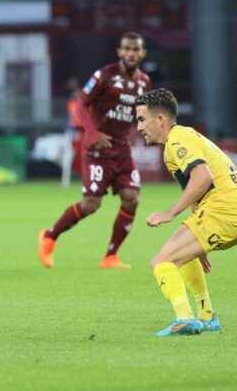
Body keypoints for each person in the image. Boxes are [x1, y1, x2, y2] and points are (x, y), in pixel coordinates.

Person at [134, 88, 237, 337]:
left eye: (141, 119)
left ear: (160, 120)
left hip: (224, 210)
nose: (138, 127)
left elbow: (202, 178)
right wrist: (197, 243)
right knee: (185, 256)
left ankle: (184, 318)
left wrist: (169, 213)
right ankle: (207, 316)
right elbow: (197, 190)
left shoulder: (178, 139)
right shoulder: (181, 140)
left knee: (162, 262)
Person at [38, 32, 152, 269]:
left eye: (136, 49)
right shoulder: (105, 75)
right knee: (91, 204)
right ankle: (49, 236)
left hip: (121, 151)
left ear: (142, 53)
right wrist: (90, 132)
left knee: (131, 199)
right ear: (120, 52)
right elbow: (81, 103)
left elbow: (142, 114)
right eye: (127, 49)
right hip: (97, 149)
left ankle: (110, 256)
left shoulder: (144, 83)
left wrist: (150, 131)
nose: (131, 53)